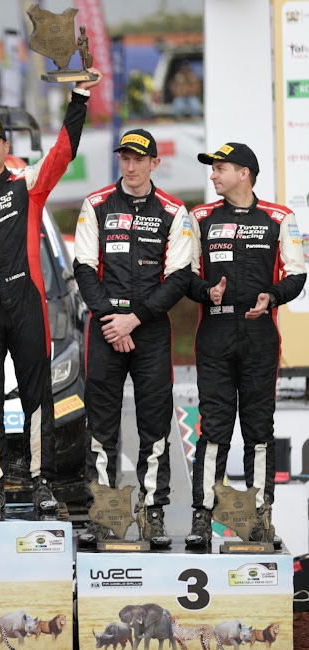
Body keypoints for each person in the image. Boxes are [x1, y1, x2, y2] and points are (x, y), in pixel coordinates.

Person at [0, 68, 103, 513]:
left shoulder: (26, 186)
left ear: (5, 149)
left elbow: (63, 151)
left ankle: (41, 482)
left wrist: (79, 99)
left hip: (25, 300)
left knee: (38, 396)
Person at [73, 129, 192, 547]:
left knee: (154, 424)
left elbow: (178, 279)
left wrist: (133, 320)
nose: (131, 165)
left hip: (151, 328)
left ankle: (153, 513)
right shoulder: (97, 204)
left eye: (139, 158)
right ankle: (105, 514)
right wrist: (111, 319)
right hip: (105, 326)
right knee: (100, 426)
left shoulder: (175, 211)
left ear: (154, 163)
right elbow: (84, 268)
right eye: (125, 158)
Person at [185, 143, 307, 548]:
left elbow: (296, 273)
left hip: (259, 337)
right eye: (213, 168)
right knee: (214, 430)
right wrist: (207, 292)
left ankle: (258, 516)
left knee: (258, 432)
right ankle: (202, 517)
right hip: (215, 336)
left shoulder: (279, 217)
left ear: (244, 173)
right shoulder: (200, 217)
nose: (213, 175)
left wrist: (270, 297)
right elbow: (182, 275)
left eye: (220, 168)